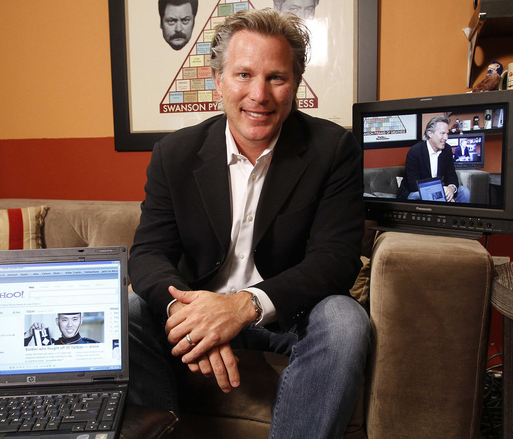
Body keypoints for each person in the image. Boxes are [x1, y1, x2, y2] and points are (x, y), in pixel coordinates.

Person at [128, 8, 370, 438]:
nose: (259, 94)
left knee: (346, 320)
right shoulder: (174, 154)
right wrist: (193, 318)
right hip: (200, 306)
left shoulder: (333, 149)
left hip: (287, 318)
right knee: (129, 310)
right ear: (218, 80)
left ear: (295, 84)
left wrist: (241, 307)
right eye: (243, 75)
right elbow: (148, 253)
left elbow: (335, 259)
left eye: (276, 77)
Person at [398, 115, 471, 203]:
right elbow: (413, 184)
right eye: (442, 133)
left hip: (438, 189)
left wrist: (451, 189)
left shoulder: (447, 149)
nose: (446, 138)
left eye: (447, 133)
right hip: (415, 192)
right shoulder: (415, 152)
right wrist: (440, 193)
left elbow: (451, 175)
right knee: (421, 196)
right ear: (430, 133)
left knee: (464, 192)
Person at [24, 312, 98, 346]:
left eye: (74, 319)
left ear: (81, 320)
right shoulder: (50, 345)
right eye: (64, 320)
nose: (70, 325)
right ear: (57, 321)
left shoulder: (92, 345)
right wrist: (28, 334)